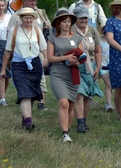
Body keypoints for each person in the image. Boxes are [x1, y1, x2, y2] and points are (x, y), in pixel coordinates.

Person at [0, 7, 48, 131]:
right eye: (26, 17)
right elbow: (7, 51)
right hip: (19, 65)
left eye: (30, 18)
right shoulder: (14, 31)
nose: (28, 20)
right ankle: (28, 121)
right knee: (24, 92)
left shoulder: (37, 31)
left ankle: (26, 118)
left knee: (31, 94)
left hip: (35, 65)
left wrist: (46, 58)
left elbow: (43, 47)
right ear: (21, 19)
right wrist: (3, 69)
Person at [7, 0, 51, 110]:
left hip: (37, 49)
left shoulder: (40, 13)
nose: (33, 2)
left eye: (35, 0)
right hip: (21, 52)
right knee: (23, 79)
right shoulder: (16, 16)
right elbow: (9, 35)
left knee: (40, 77)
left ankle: (41, 102)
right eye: (31, 0)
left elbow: (47, 26)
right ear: (24, 1)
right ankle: (24, 98)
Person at [47, 8, 82, 142]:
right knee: (63, 102)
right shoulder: (52, 38)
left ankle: (68, 128)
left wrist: (77, 61)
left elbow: (81, 55)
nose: (67, 24)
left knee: (71, 104)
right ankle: (65, 133)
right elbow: (50, 58)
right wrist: (64, 58)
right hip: (58, 73)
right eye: (64, 22)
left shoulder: (77, 37)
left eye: (68, 22)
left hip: (72, 73)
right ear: (58, 24)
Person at [72, 6, 103, 132]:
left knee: (86, 96)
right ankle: (79, 123)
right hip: (76, 66)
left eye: (85, 18)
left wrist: (98, 67)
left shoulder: (92, 31)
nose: (84, 20)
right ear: (75, 19)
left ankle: (84, 121)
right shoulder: (71, 31)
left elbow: (98, 50)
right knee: (79, 94)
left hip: (90, 66)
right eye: (81, 18)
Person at [99, 23, 113, 112]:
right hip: (103, 66)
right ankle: (108, 104)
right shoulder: (99, 42)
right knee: (108, 85)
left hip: (113, 66)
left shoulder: (114, 41)